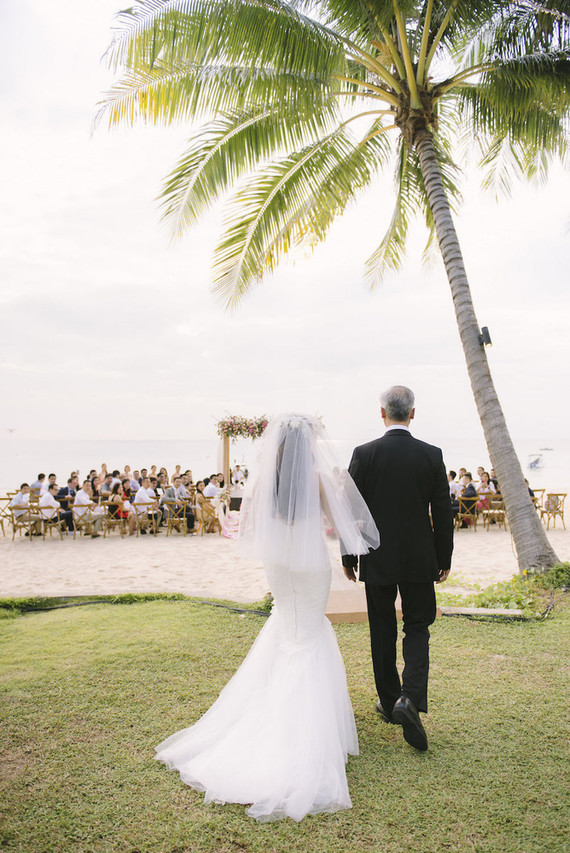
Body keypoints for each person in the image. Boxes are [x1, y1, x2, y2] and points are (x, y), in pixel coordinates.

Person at [155, 414, 379, 822]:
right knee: (308, 633)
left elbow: (250, 526)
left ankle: (273, 718)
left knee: (287, 628)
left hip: (278, 565)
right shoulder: (316, 480)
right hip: (310, 566)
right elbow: (341, 524)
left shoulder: (261, 482)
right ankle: (300, 732)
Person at [342, 386, 453, 752]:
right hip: (420, 557)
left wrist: (349, 556)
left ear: (382, 413)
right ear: (412, 414)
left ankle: (391, 702)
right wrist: (444, 558)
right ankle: (410, 698)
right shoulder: (431, 454)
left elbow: (348, 510)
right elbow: (443, 511)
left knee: (382, 628)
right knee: (418, 626)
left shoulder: (364, 454)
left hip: (377, 556)